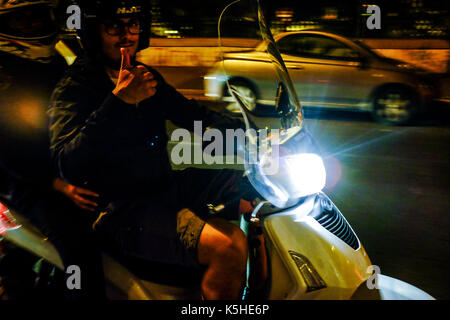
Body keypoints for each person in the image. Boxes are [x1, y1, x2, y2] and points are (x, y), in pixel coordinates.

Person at [48, 0, 261, 300]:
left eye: (132, 24)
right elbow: (69, 162)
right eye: (113, 26)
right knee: (229, 246)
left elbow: (192, 115)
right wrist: (118, 101)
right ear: (92, 30)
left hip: (159, 187)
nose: (126, 34)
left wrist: (258, 133)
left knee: (252, 191)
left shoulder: (143, 75)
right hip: (117, 209)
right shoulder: (76, 86)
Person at [0, 0, 105, 299]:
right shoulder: (4, 74)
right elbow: (9, 150)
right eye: (21, 19)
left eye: (36, 16)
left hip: (63, 166)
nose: (32, 24)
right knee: (79, 246)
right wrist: (59, 185)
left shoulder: (56, 60)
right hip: (25, 181)